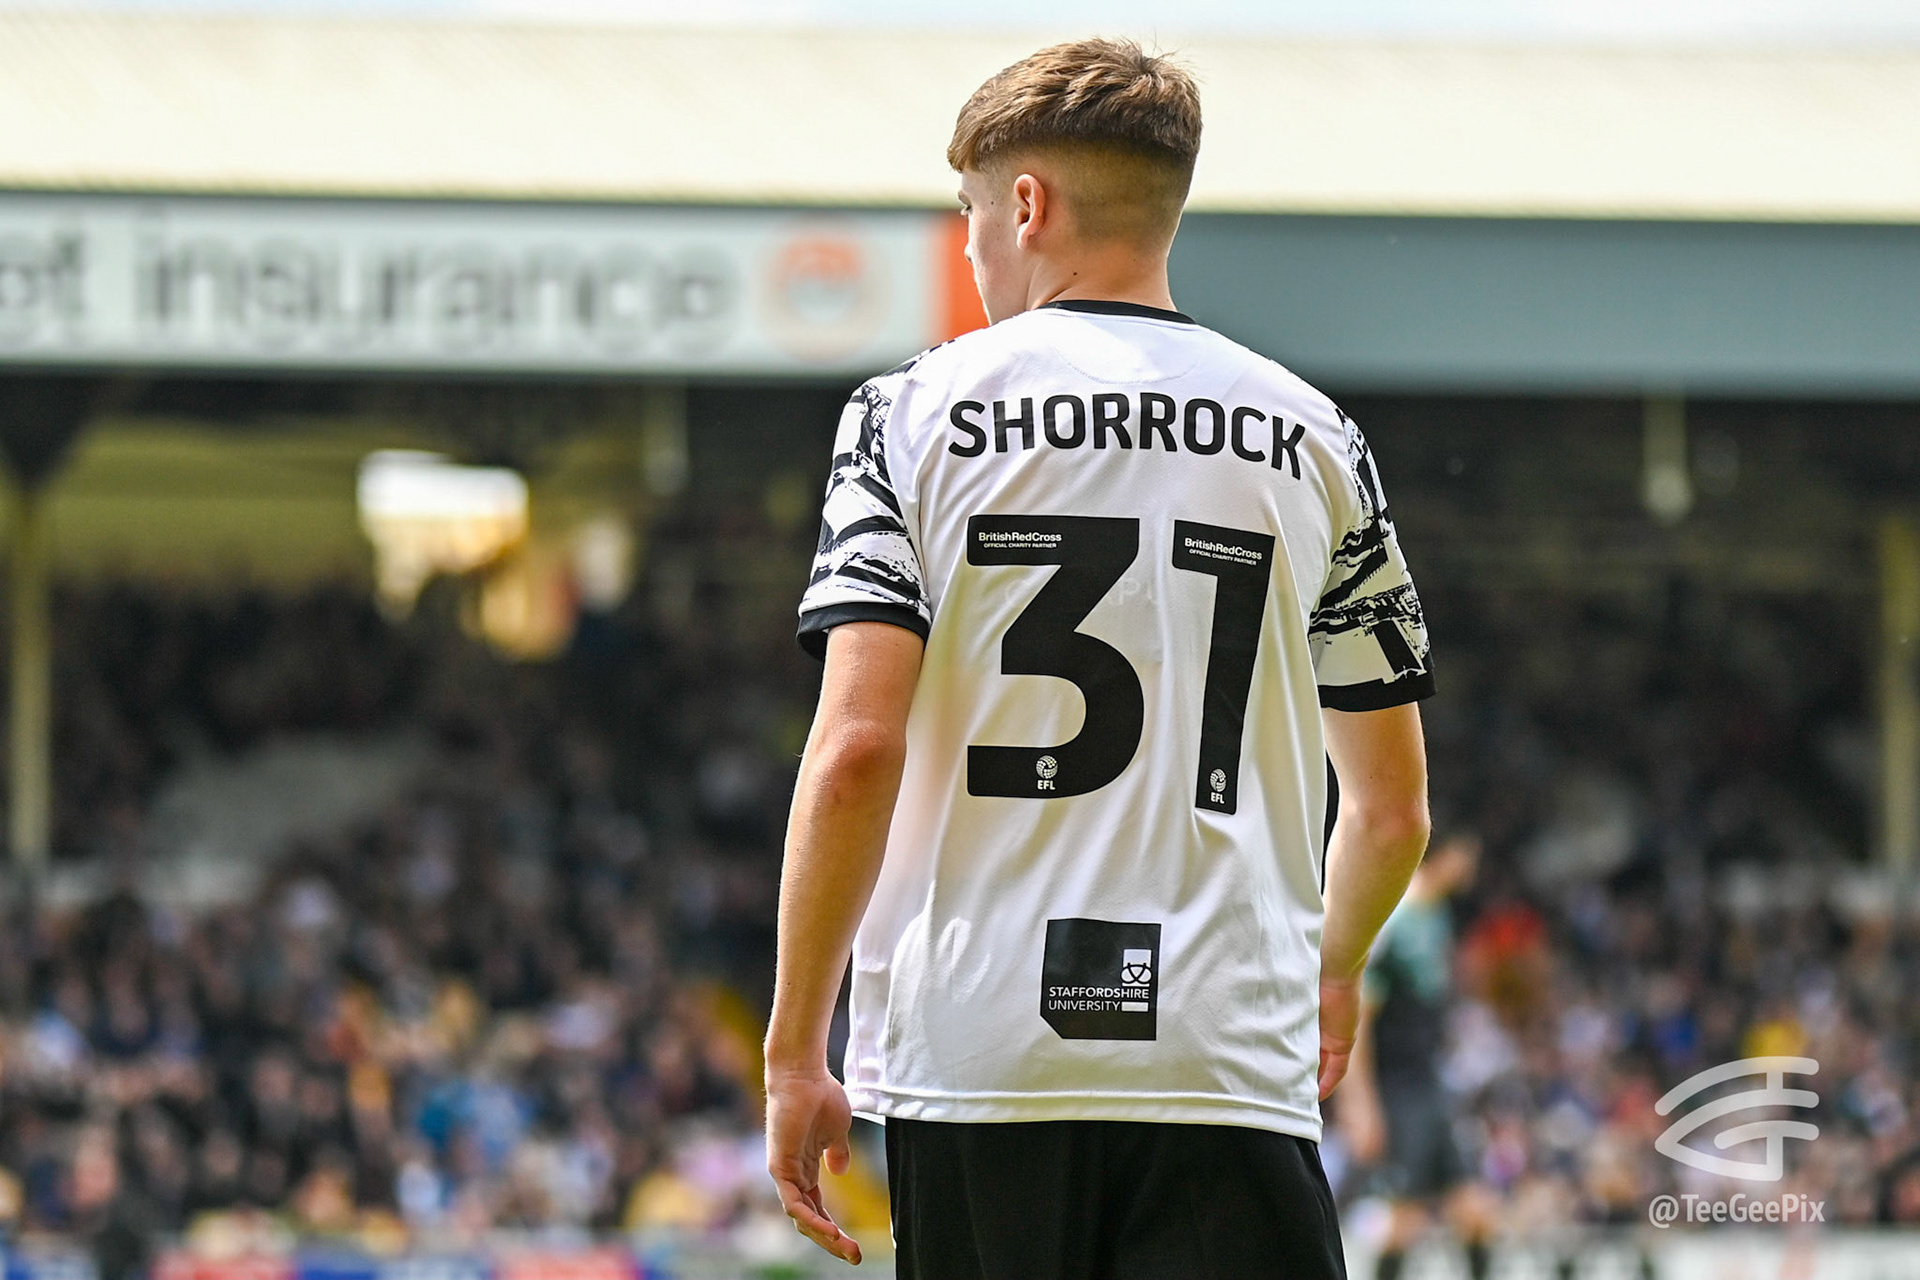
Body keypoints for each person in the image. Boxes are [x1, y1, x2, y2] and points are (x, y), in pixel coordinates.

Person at [764, 37, 1435, 1279]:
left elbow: (856, 747)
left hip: (982, 1055)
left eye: (970, 212)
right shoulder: (1317, 438)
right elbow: (1392, 811)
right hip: (1224, 1052)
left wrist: (795, 1047)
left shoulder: (904, 416)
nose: (971, 245)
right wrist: (1333, 969)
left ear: (1026, 204)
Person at [1334, 832, 1499, 1280]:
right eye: (1466, 853)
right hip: (1398, 1089)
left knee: (1476, 1213)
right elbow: (1361, 1013)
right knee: (1403, 1222)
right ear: (1446, 853)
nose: (1470, 866)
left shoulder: (1437, 915)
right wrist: (1359, 1102)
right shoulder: (1394, 918)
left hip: (1431, 1083)